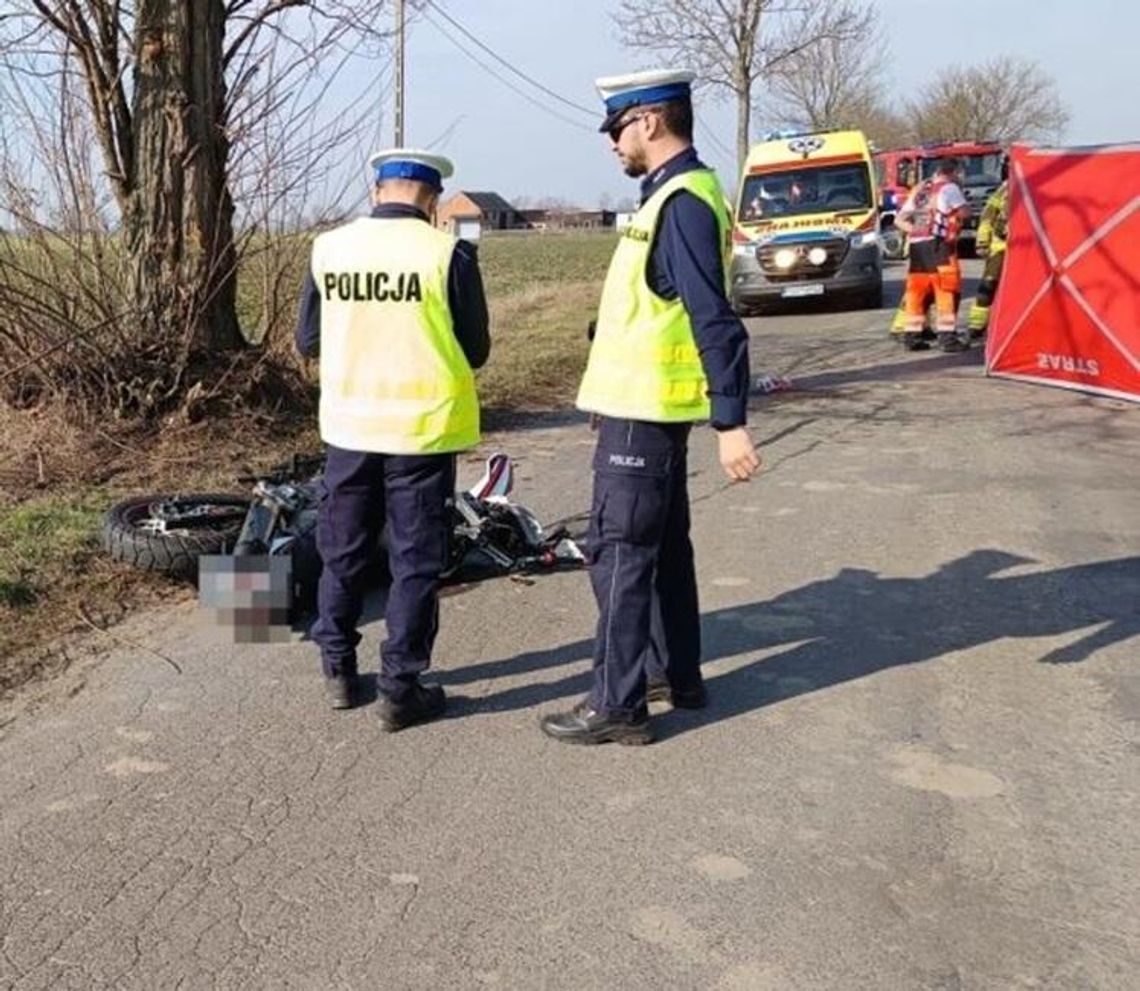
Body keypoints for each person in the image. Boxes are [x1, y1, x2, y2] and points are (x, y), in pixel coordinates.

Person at [539, 69, 761, 746]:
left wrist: (731, 421)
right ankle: (676, 674)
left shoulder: (683, 202)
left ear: (651, 122)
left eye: (617, 127)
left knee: (619, 552)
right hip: (639, 406)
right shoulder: (670, 197)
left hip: (643, 413)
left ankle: (617, 704)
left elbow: (712, 317)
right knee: (662, 547)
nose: (612, 143)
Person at [295, 149, 490, 730]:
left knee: (343, 549)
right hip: (422, 431)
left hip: (351, 427)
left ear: (377, 191)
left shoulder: (329, 249)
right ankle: (400, 688)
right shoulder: (449, 253)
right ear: (431, 201)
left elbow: (308, 340)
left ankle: (336, 668)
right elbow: (476, 349)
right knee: (414, 559)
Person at [891, 157, 971, 352]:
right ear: (954, 172)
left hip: (917, 246)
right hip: (939, 246)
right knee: (946, 289)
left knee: (917, 292)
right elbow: (964, 213)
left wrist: (917, 229)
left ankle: (912, 336)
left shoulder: (920, 190)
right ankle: (947, 338)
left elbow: (899, 220)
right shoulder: (949, 188)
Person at [966, 158, 1010, 339]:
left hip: (1027, 249)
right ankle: (976, 326)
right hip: (1001, 247)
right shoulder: (1003, 191)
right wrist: (982, 242)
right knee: (988, 285)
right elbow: (987, 218)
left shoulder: (1037, 189)